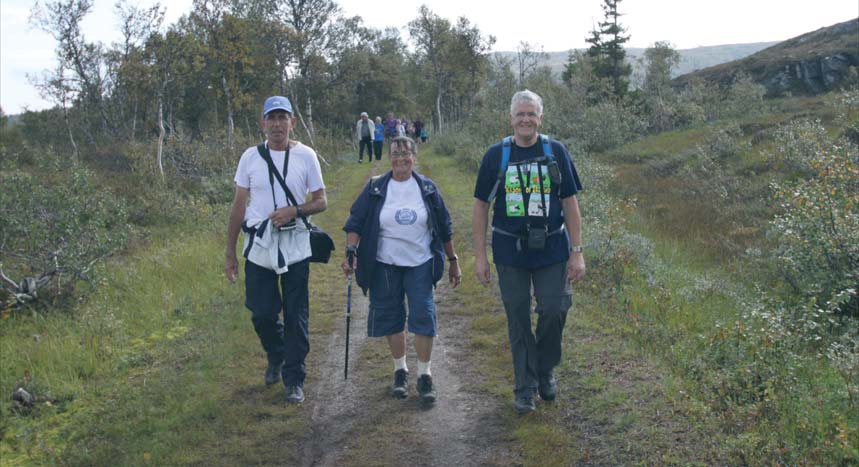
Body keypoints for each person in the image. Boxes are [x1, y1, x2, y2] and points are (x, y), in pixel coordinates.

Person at [471, 90, 585, 414]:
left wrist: (577, 251)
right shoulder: (497, 155)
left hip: (552, 247)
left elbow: (570, 203)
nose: (525, 119)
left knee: (555, 307)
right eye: (520, 114)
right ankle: (524, 388)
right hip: (511, 250)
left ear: (540, 118)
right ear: (510, 118)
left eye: (531, 114)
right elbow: (481, 206)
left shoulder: (556, 152)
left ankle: (545, 368)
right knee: (518, 319)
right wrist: (480, 256)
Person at [342, 136, 462, 403]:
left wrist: (453, 260)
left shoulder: (428, 189)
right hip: (384, 264)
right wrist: (351, 251)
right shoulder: (375, 188)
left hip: (420, 263)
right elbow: (355, 222)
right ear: (389, 158)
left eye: (406, 153)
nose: (401, 158)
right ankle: (400, 372)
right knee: (391, 318)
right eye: (395, 153)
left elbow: (444, 227)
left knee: (424, 317)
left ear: (414, 158)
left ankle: (425, 376)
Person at [225, 95, 328, 405]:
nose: (277, 124)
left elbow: (321, 201)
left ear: (292, 123)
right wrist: (230, 252)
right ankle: (276, 355)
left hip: (295, 244)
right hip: (259, 245)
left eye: (283, 118)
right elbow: (238, 206)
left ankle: (294, 378)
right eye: (272, 118)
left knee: (297, 315)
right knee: (262, 313)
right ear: (263, 123)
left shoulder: (306, 156)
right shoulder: (250, 158)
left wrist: (294, 211)